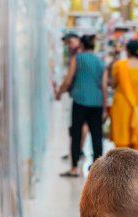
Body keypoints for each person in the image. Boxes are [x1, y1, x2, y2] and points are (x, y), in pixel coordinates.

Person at [56, 34, 107, 177]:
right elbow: (104, 85)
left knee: (76, 134)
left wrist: (60, 92)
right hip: (97, 102)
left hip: (80, 101)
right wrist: (105, 106)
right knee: (97, 136)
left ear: (82, 46)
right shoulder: (100, 62)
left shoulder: (77, 59)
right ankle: (99, 170)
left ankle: (74, 168)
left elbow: (68, 80)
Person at [110, 40, 138, 150]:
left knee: (121, 144)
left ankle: (121, 167)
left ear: (128, 51)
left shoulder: (120, 65)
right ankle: (136, 167)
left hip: (122, 107)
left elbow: (113, 84)